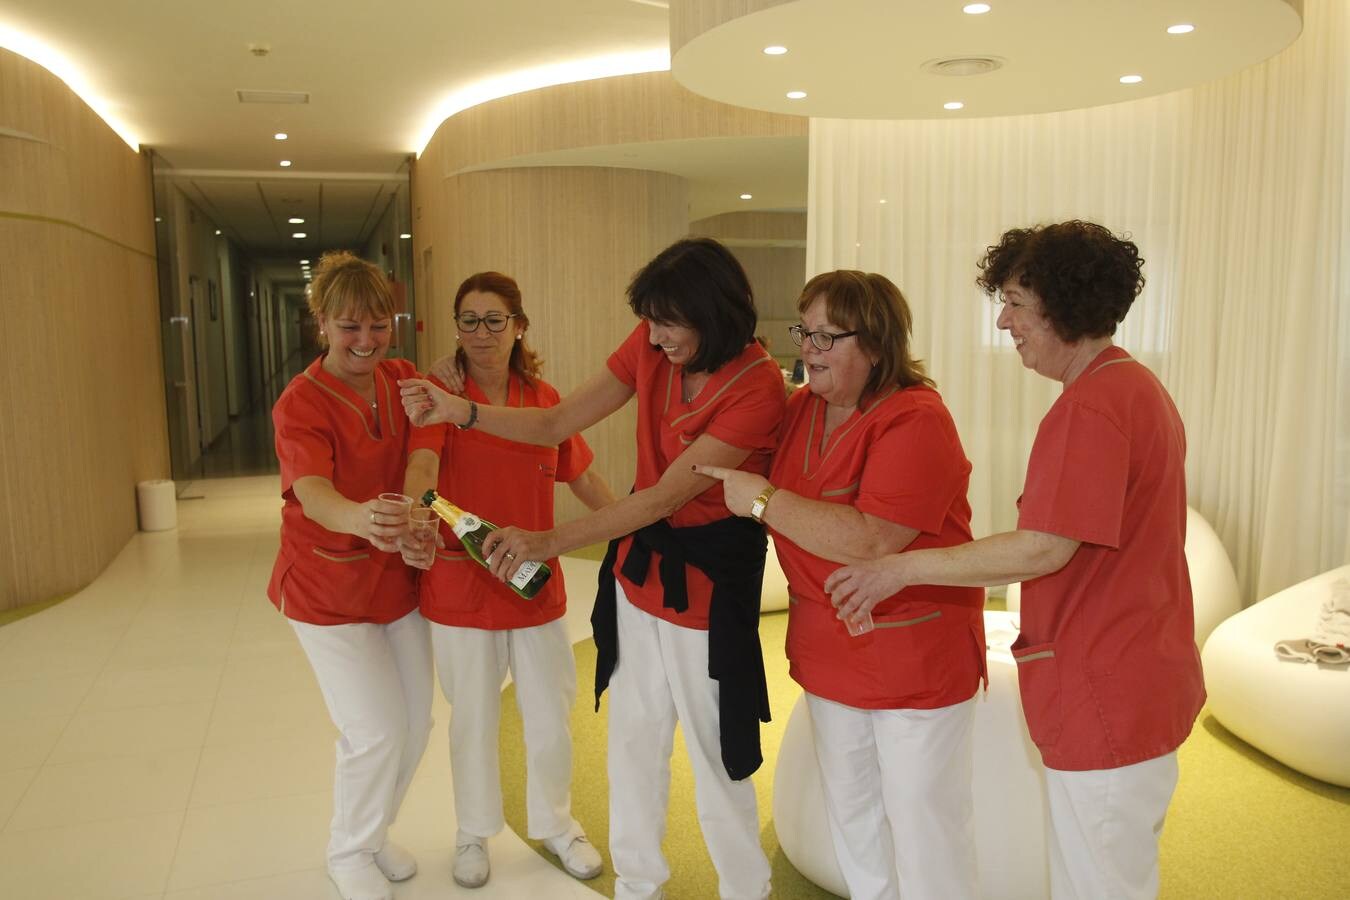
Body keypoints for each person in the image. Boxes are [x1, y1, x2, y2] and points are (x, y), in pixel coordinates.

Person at [826, 221, 1206, 900]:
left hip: (1106, 685)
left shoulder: (1093, 409)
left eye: (1014, 304)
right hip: (1138, 670)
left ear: (1064, 305)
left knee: (1100, 882)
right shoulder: (1136, 389)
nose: (1004, 322)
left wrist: (900, 568)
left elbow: (1042, 546)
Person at [401, 237, 786, 900]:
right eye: (651, 323)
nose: (655, 338)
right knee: (633, 742)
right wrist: (458, 409)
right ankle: (637, 884)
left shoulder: (759, 387)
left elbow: (664, 496)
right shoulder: (651, 343)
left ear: (715, 313)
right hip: (640, 582)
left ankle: (744, 889)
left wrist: (546, 541)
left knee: (717, 752)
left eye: (669, 324)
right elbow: (553, 423)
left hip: (707, 594)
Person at [694, 270, 984, 900]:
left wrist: (765, 501)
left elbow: (874, 539)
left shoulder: (916, 419)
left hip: (913, 659)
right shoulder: (801, 410)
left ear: (877, 345)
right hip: (831, 650)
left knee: (924, 825)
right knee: (852, 812)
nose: (808, 349)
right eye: (805, 332)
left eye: (828, 337)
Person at [399, 272, 616, 888]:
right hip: (459, 584)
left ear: (519, 326)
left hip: (533, 582)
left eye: (495, 320)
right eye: (469, 319)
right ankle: (473, 831)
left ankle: (554, 824)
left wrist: (632, 524)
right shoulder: (441, 395)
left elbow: (580, 476)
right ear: (456, 328)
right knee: (472, 717)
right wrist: (416, 507)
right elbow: (422, 463)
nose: (482, 333)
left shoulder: (546, 401)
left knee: (550, 712)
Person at [266, 251, 435, 900]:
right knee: (376, 728)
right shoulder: (301, 402)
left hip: (395, 582)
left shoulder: (403, 379)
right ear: (321, 325)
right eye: (349, 327)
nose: (365, 341)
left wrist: (416, 517)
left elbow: (424, 456)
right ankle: (349, 850)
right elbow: (311, 492)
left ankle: (373, 830)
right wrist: (361, 518)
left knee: (415, 723)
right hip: (325, 589)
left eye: (379, 324)